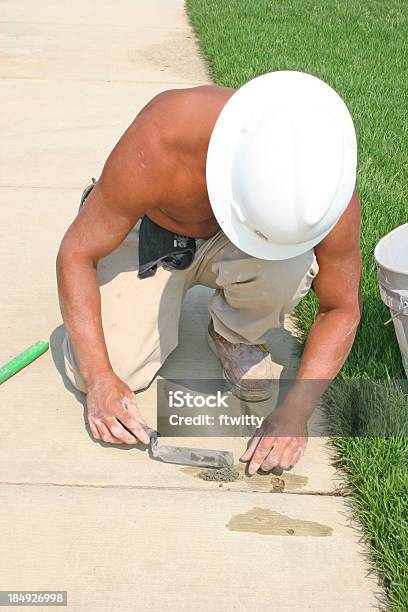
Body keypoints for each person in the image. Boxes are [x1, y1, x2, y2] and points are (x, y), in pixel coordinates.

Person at [57, 71, 361, 474]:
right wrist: (99, 378)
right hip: (150, 229)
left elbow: (341, 309)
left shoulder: (324, 189)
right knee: (113, 370)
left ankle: (233, 333)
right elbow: (76, 253)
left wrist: (296, 413)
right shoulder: (165, 135)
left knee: (293, 262)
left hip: (229, 243)